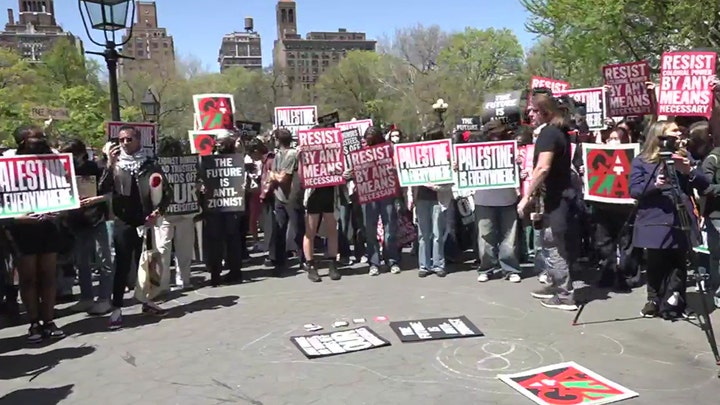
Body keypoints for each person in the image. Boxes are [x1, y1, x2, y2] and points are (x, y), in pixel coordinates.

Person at [630, 121, 710, 319]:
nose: (679, 133)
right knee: (656, 260)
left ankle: (676, 301)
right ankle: (654, 299)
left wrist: (689, 171)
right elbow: (634, 190)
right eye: (674, 130)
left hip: (680, 216)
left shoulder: (684, 157)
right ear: (660, 135)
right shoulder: (642, 160)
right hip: (654, 217)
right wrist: (655, 185)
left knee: (678, 260)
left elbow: (704, 185)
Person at [100, 125, 171, 329]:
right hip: (123, 221)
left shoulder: (150, 164)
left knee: (148, 262)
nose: (124, 143)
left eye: (128, 139)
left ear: (138, 140)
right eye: (121, 140)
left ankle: (147, 301)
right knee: (122, 265)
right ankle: (117, 309)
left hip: (145, 220)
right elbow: (103, 188)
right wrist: (109, 164)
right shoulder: (114, 165)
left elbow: (166, 192)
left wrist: (158, 211)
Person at [518, 93, 581, 311]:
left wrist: (526, 196)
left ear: (544, 111)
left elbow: (543, 167)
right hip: (555, 198)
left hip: (557, 200)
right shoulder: (557, 132)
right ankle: (556, 284)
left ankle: (565, 295)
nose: (529, 115)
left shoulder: (549, 133)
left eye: (533, 111)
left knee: (555, 245)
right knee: (547, 242)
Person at [8, 126, 65, 341]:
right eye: (35, 138)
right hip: (22, 227)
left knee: (48, 276)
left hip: (49, 225)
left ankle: (49, 320)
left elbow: (66, 188)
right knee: (29, 278)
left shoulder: (54, 161)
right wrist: (17, 217)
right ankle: (33, 322)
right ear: (22, 141)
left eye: (43, 138)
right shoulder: (7, 164)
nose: (41, 141)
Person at [62, 139, 114, 314]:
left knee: (103, 258)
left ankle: (105, 297)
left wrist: (95, 200)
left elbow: (110, 193)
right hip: (76, 219)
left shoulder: (97, 167)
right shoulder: (65, 171)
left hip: (96, 218)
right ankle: (86, 297)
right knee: (82, 261)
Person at [198, 131, 245, 286]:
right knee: (215, 239)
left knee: (232, 238)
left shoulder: (239, 160)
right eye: (217, 141)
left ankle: (235, 271)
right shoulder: (207, 161)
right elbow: (200, 179)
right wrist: (202, 187)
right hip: (214, 206)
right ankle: (215, 272)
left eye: (223, 141)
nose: (219, 144)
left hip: (232, 206)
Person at [352, 126, 401, 276]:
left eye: (371, 137)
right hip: (369, 194)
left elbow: (397, 166)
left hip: (387, 192)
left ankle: (391, 260)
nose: (368, 140)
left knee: (389, 228)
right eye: (367, 138)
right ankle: (374, 262)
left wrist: (393, 168)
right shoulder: (361, 154)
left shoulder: (389, 149)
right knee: (370, 229)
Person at [154, 138, 196, 291]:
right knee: (183, 249)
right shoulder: (189, 163)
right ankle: (184, 279)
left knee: (163, 250)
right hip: (183, 212)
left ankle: (164, 284)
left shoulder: (157, 165)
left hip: (166, 214)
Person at [267, 128, 305, 273]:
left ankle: (304, 259)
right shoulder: (278, 155)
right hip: (279, 196)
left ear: (278, 140)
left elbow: (283, 178)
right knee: (279, 229)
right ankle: (280, 261)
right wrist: (274, 175)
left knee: (297, 229)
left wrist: (273, 175)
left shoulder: (291, 154)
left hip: (291, 196)